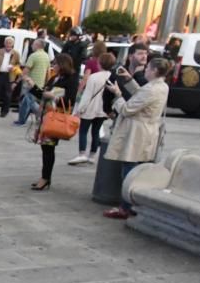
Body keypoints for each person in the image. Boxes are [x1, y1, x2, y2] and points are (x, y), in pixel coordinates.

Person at [101, 57, 171, 219]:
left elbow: (126, 109)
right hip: (147, 131)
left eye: (148, 68)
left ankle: (125, 206)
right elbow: (142, 95)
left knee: (129, 169)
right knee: (138, 168)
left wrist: (117, 95)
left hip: (137, 132)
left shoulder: (152, 89)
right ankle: (132, 204)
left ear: (154, 71)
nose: (145, 70)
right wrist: (129, 79)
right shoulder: (162, 86)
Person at [32, 53, 78, 191]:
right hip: (46, 115)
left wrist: (54, 96)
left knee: (48, 148)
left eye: (56, 64)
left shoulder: (70, 79)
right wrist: (33, 87)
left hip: (56, 117)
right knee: (45, 148)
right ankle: (45, 177)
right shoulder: (54, 78)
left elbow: (70, 99)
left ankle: (45, 178)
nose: (53, 66)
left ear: (62, 65)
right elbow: (43, 94)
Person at [69, 51, 115, 166]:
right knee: (96, 131)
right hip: (103, 109)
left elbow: (87, 95)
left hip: (90, 107)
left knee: (84, 130)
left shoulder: (94, 77)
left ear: (100, 63)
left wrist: (80, 109)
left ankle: (82, 153)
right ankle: (92, 156)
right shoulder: (112, 76)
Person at [14, 38, 51, 126]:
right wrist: (47, 83)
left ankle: (44, 116)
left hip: (30, 83)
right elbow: (47, 72)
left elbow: (26, 70)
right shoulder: (46, 56)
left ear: (37, 46)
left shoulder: (33, 56)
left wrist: (17, 81)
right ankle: (22, 120)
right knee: (26, 102)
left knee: (30, 103)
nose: (31, 46)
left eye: (33, 44)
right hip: (40, 84)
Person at [0, 36, 20, 117]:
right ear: (4, 43)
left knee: (7, 95)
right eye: (6, 42)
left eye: (10, 43)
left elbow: (18, 64)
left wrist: (14, 68)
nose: (8, 44)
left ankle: (4, 112)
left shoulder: (15, 53)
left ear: (13, 44)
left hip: (9, 76)